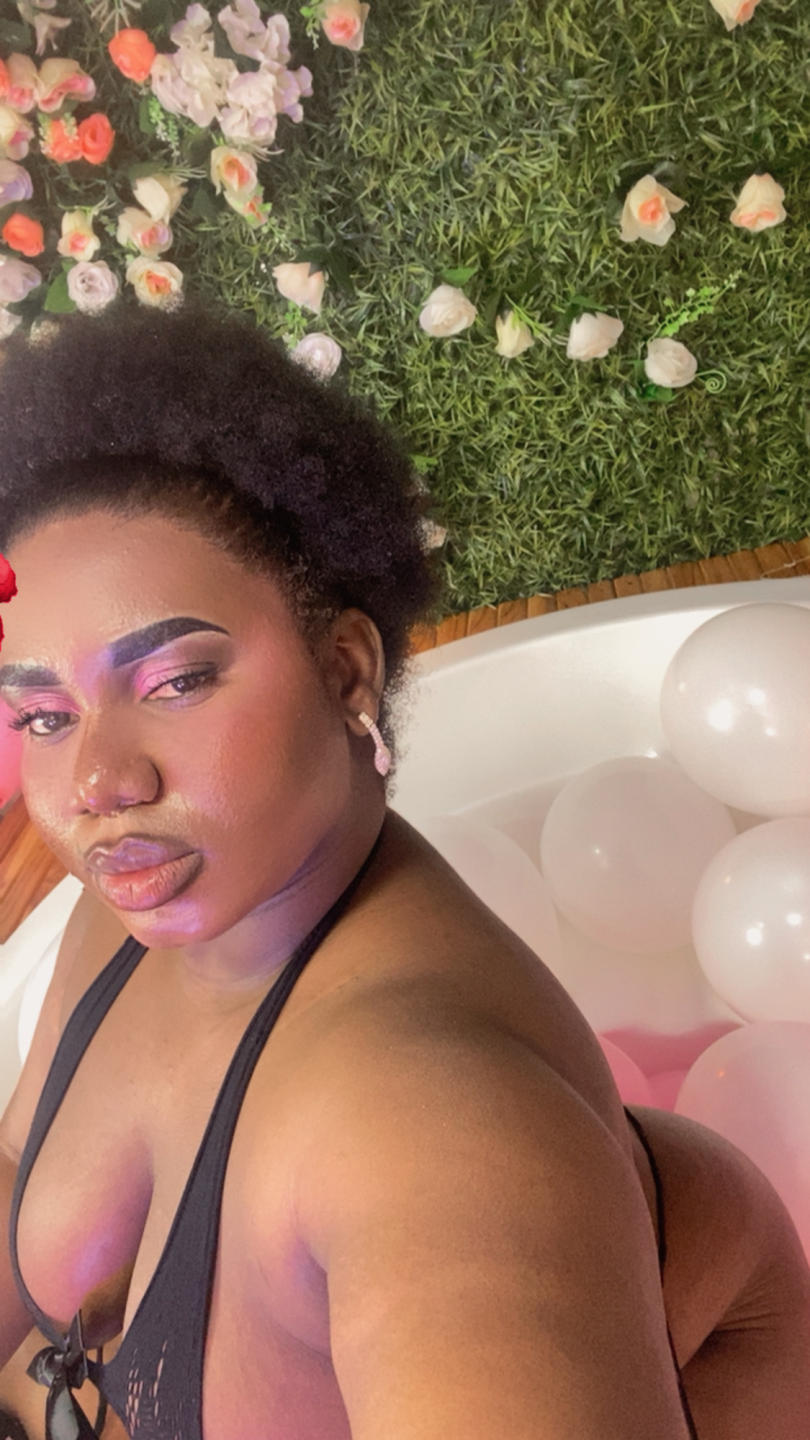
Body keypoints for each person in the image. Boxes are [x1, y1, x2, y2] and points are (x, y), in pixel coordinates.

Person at [0, 298, 807, 1440]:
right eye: (44, 714)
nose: (98, 780)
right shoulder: (137, 910)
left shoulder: (434, 1134)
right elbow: (22, 1156)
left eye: (176, 682)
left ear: (346, 672)